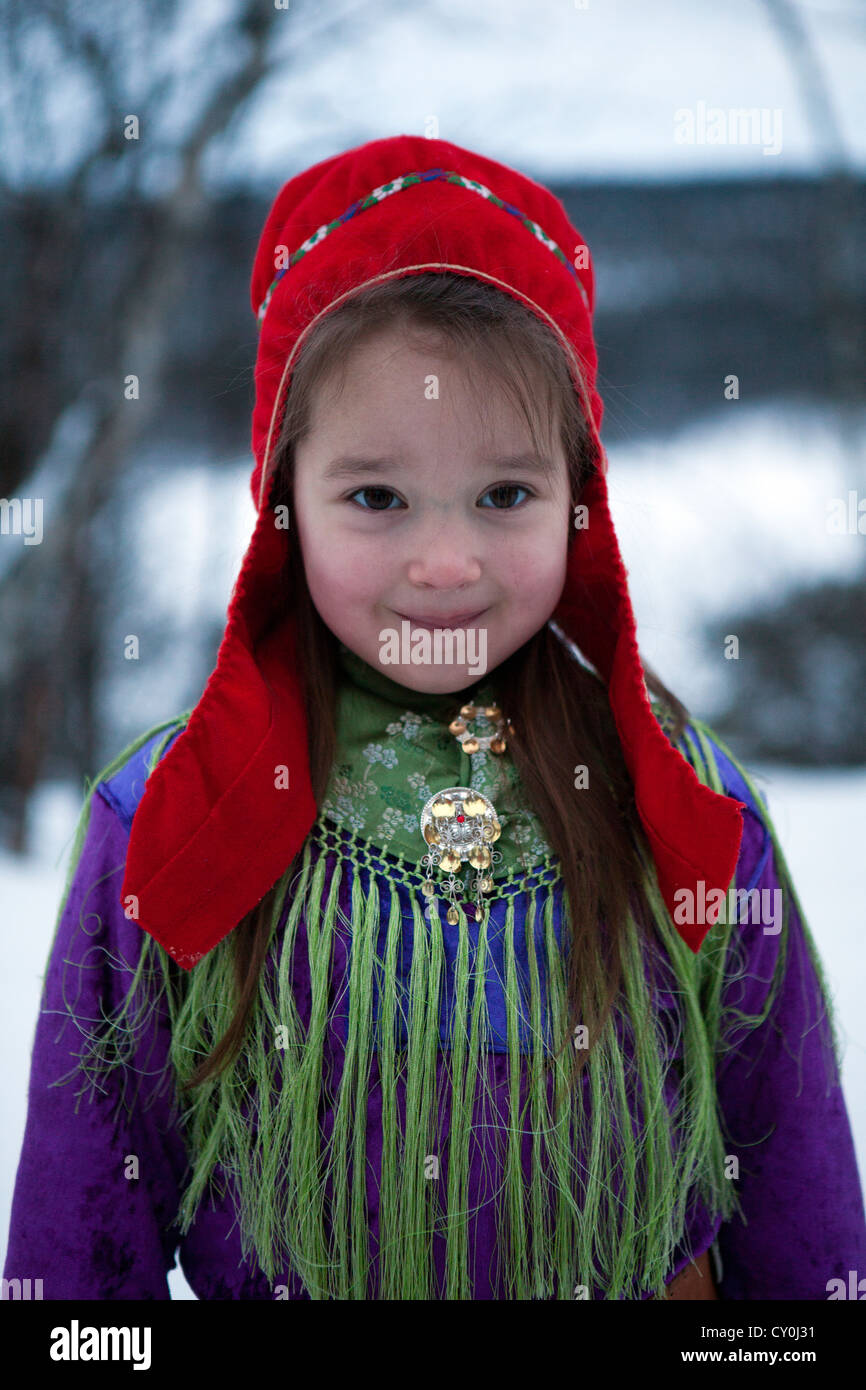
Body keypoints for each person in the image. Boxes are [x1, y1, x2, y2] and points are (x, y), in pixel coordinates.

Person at [4, 134, 865, 1301]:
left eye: (504, 494)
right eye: (375, 497)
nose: (445, 562)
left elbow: (796, 1204)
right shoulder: (168, 817)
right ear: (281, 505)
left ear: (579, 501)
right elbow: (78, 1243)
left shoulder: (684, 808)